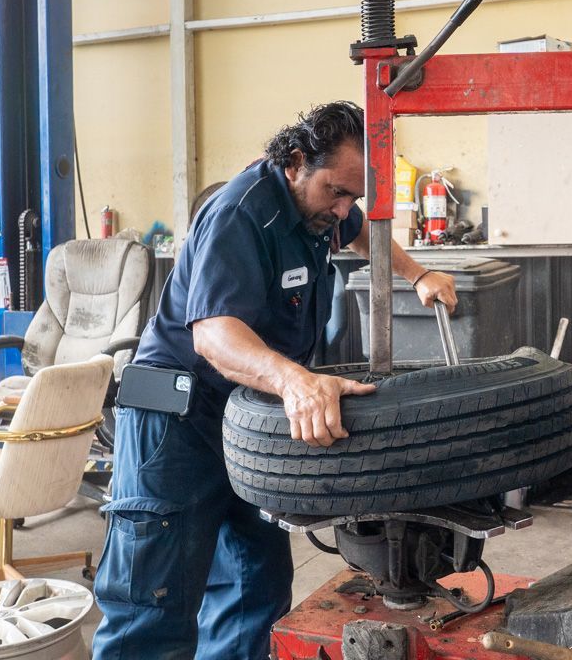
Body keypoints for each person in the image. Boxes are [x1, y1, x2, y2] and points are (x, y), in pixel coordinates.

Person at [91, 101, 458, 660]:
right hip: (174, 425)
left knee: (254, 586)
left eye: (352, 197)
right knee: (153, 605)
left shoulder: (325, 206)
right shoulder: (239, 213)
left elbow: (365, 235)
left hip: (244, 423)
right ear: (294, 162)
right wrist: (296, 382)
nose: (343, 209)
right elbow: (213, 336)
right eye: (336, 192)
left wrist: (419, 273)